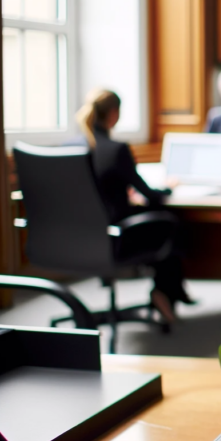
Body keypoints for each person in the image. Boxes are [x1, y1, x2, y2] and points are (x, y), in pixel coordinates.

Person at [76, 89, 192, 322]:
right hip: (117, 237)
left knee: (159, 219)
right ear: (113, 114)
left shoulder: (73, 148)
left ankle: (171, 292)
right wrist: (168, 187)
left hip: (77, 237)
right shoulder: (116, 149)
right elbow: (150, 195)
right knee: (169, 222)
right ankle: (165, 291)